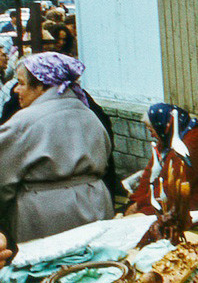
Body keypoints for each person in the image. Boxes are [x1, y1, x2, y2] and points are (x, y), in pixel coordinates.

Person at [0, 52, 113, 246]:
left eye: (21, 83)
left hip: (44, 217)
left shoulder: (23, 122)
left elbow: (3, 178)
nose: (16, 90)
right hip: (95, 206)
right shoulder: (89, 114)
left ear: (42, 86)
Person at [125, 103, 198, 215]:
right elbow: (149, 173)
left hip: (196, 199)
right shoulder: (167, 136)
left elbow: (174, 185)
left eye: (151, 131)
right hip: (169, 196)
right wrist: (135, 201)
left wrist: (140, 205)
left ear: (163, 124)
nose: (151, 136)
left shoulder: (195, 142)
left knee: (144, 217)